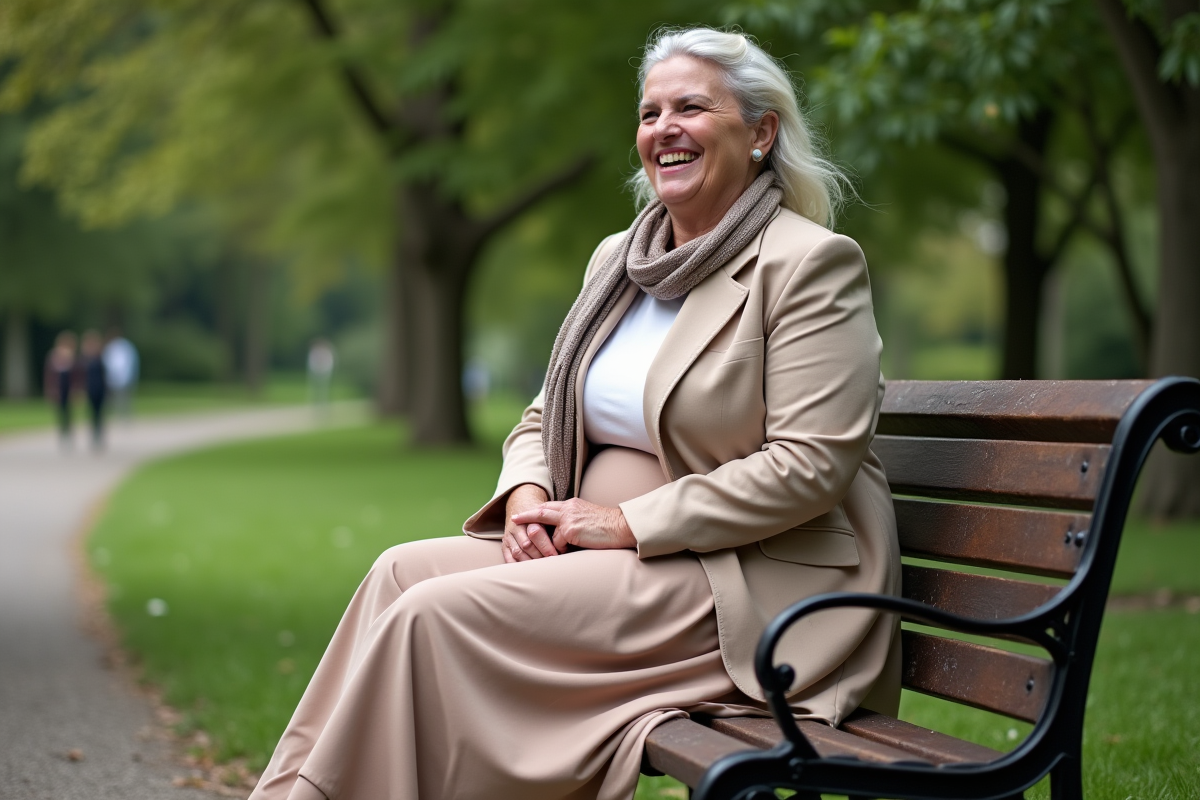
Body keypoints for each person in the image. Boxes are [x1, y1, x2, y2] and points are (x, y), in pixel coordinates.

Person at [251, 27, 900, 800]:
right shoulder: (620, 260)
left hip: (742, 580)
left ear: (760, 133)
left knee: (432, 618)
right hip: (603, 549)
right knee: (396, 574)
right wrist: (528, 499)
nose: (664, 128)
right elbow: (542, 413)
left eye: (691, 107)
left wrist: (626, 524)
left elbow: (809, 467)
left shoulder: (808, 264)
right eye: (650, 111)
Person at [44, 330, 78, 448]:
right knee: (60, 412)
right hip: (58, 389)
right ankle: (62, 434)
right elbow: (49, 375)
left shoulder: (72, 358)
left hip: (69, 389)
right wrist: (50, 390)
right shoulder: (53, 357)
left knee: (69, 412)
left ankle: (68, 434)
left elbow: (76, 376)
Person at [103, 328, 139, 420]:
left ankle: (124, 416)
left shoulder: (125, 346)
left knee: (124, 398)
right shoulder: (110, 347)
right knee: (112, 399)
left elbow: (130, 362)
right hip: (112, 378)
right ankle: (113, 416)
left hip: (124, 377)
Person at [80, 330, 108, 450]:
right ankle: (94, 436)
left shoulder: (100, 358)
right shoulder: (84, 359)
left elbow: (104, 376)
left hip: (100, 390)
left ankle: (99, 435)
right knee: (92, 414)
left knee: (99, 413)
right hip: (89, 390)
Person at [307, 338, 336, 414]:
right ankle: (315, 404)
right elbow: (311, 363)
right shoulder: (314, 352)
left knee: (324, 390)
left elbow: (329, 363)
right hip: (316, 373)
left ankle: (323, 405)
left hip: (324, 373)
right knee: (315, 390)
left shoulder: (327, 353)